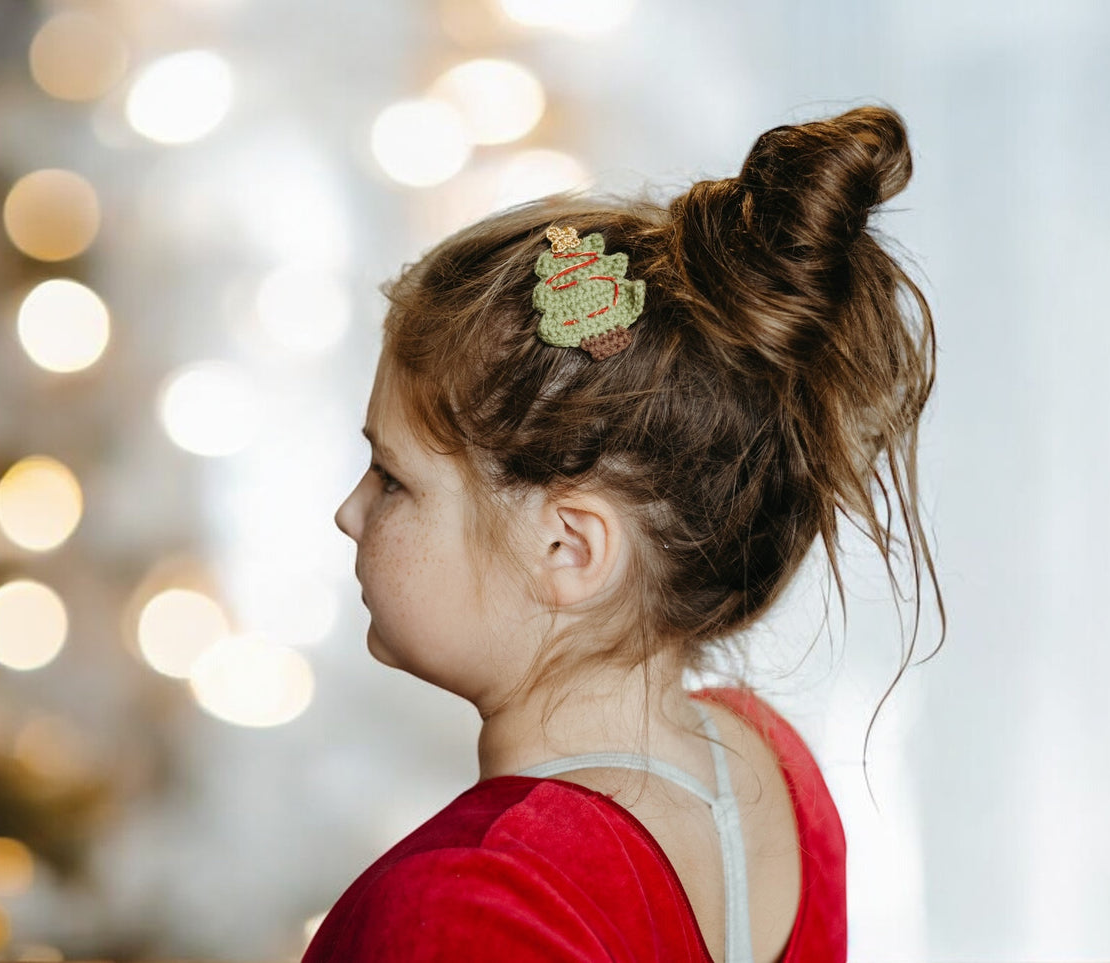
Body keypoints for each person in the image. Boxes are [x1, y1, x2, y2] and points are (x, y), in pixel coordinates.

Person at [305, 105, 939, 963]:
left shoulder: (463, 902)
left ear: (567, 549)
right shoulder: (774, 771)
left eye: (392, 478)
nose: (349, 510)